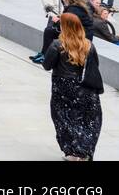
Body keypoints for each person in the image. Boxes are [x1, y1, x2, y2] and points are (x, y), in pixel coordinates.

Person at [42, 12, 104, 160]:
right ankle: (83, 151)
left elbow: (47, 65)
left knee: (63, 117)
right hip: (86, 88)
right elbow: (95, 65)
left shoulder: (58, 44)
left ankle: (71, 151)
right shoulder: (89, 45)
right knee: (89, 119)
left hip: (62, 87)